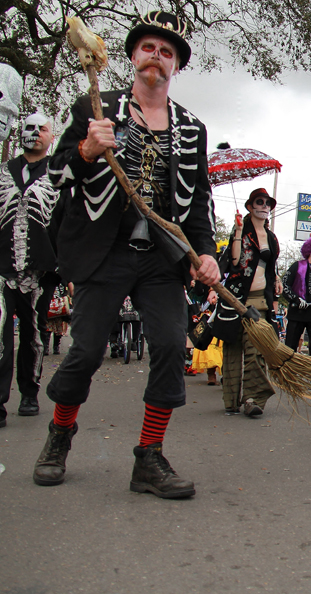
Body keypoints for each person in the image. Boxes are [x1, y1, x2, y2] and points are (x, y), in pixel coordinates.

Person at [34, 11, 219, 499]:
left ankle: (149, 457)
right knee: (87, 350)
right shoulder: (96, 109)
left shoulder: (192, 128)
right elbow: (56, 176)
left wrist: (205, 252)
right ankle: (59, 435)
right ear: (133, 56)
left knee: (168, 344)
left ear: (175, 65)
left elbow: (198, 201)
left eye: (166, 51)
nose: (155, 57)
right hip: (104, 251)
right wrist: (87, 151)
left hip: (161, 257)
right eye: (148, 48)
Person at [0, 112, 62, 426]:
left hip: (41, 269)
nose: (35, 132)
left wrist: (67, 268)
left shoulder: (58, 174)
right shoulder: (3, 172)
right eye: (29, 127)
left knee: (33, 334)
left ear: (52, 136)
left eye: (43, 129)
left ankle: (29, 392)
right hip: (2, 265)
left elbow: (67, 222)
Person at [212, 189, 282, 417]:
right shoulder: (241, 231)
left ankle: (253, 399)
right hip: (235, 298)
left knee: (256, 351)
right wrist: (238, 230)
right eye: (259, 202)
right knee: (233, 350)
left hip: (260, 302)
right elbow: (234, 261)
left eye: (267, 203)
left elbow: (270, 267)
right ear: (250, 207)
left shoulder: (271, 237)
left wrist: (277, 279)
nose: (264, 206)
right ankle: (231, 401)